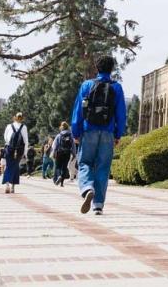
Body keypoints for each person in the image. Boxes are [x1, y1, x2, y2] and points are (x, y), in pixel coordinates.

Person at [69, 56, 127, 215]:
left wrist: (76, 132)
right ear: (112, 69)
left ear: (97, 68)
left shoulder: (87, 85)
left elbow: (78, 111)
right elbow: (121, 113)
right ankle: (98, 205)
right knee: (103, 167)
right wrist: (118, 134)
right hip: (108, 132)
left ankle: (87, 187)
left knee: (85, 162)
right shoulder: (117, 88)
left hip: (89, 131)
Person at [1, 113, 29, 193]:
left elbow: (5, 138)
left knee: (9, 166)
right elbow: (26, 141)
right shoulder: (24, 127)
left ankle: (7, 185)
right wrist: (25, 153)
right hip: (19, 150)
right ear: (22, 119)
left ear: (14, 118)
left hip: (10, 148)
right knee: (16, 167)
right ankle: (13, 187)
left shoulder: (9, 126)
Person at [51, 122, 74, 187]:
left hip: (59, 152)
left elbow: (54, 145)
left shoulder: (59, 135)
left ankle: (58, 176)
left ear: (61, 127)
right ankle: (62, 183)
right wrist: (74, 154)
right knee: (64, 167)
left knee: (58, 166)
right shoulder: (70, 135)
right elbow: (73, 145)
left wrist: (53, 153)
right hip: (67, 153)